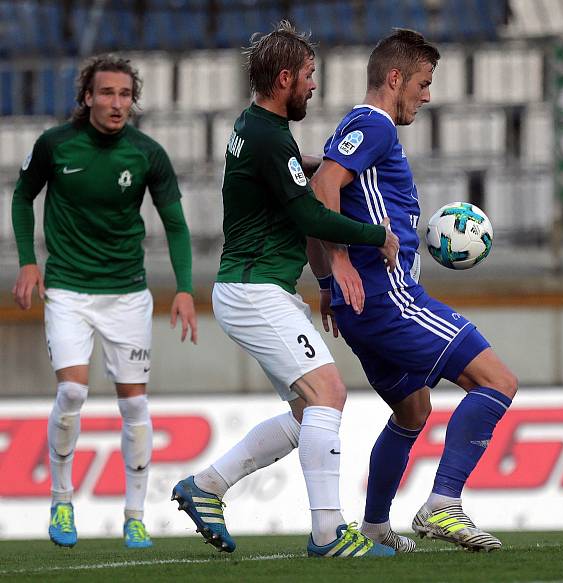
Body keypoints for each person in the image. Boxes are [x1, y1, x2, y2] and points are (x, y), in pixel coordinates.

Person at [171, 21, 399, 559]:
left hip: (255, 287)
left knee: (306, 413)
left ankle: (207, 486)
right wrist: (376, 236)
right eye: (310, 76)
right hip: (254, 289)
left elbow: (292, 205)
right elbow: (305, 212)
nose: (314, 86)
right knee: (330, 395)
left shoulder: (256, 127)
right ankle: (328, 533)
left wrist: (323, 275)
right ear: (284, 78)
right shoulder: (270, 138)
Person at [310, 29, 518, 552]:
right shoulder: (373, 125)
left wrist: (327, 284)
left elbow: (315, 189)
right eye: (423, 83)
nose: (427, 96)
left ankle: (377, 528)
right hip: (388, 299)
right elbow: (323, 188)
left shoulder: (360, 134)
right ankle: (442, 504)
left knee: (413, 412)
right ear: (395, 78)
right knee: (497, 382)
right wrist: (337, 263)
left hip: (363, 308)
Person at [11, 54, 198, 549]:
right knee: (72, 394)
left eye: (125, 95)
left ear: (132, 100)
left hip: (127, 295)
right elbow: (21, 196)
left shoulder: (147, 154)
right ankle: (61, 500)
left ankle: (134, 516)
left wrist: (182, 287)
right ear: (87, 97)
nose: (117, 104)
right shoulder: (55, 145)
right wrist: (28, 261)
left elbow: (176, 224)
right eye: (107, 93)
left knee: (134, 405)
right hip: (69, 289)